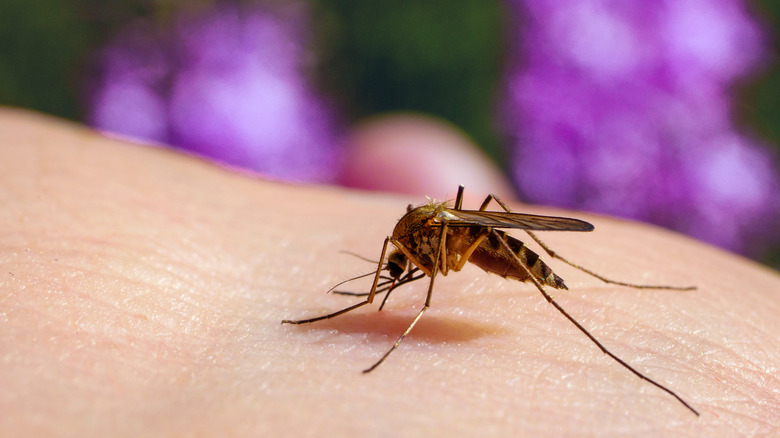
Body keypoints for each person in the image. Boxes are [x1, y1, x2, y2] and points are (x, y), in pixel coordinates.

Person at [2, 108, 778, 436]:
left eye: (400, 267)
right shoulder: (407, 234)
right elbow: (402, 249)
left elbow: (434, 251)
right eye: (398, 268)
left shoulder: (437, 240)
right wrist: (379, 288)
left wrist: (402, 311)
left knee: (493, 220)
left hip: (494, 239)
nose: (399, 267)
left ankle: (601, 303)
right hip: (462, 228)